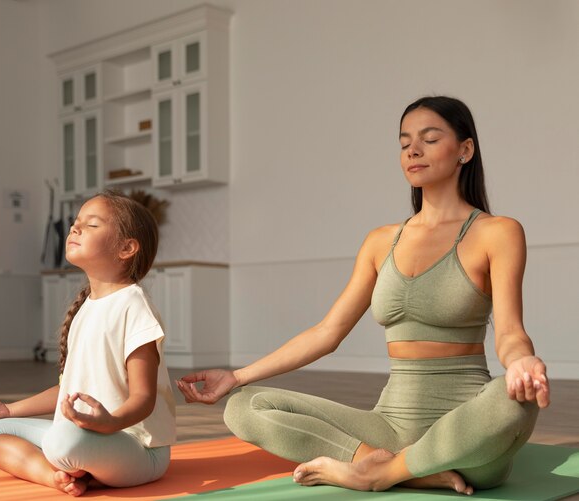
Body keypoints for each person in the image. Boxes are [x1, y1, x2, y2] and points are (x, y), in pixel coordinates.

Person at [176, 96, 550, 494]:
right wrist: (236, 377)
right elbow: (327, 332)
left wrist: (522, 362)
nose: (413, 151)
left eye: (429, 138)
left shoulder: (498, 232)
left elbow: (510, 331)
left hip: (464, 430)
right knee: (244, 406)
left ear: (465, 149)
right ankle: (396, 467)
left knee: (514, 400)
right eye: (405, 143)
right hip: (388, 426)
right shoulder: (380, 241)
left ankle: (382, 474)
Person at [0, 191, 175, 497]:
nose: (75, 229)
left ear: (126, 248)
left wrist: (109, 423)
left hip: (140, 450)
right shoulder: (86, 307)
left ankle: (71, 467)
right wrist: (7, 410)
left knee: (63, 441)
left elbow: (144, 397)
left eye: (92, 225)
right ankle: (56, 478)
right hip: (85, 440)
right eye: (76, 223)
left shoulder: (133, 305)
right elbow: (66, 391)